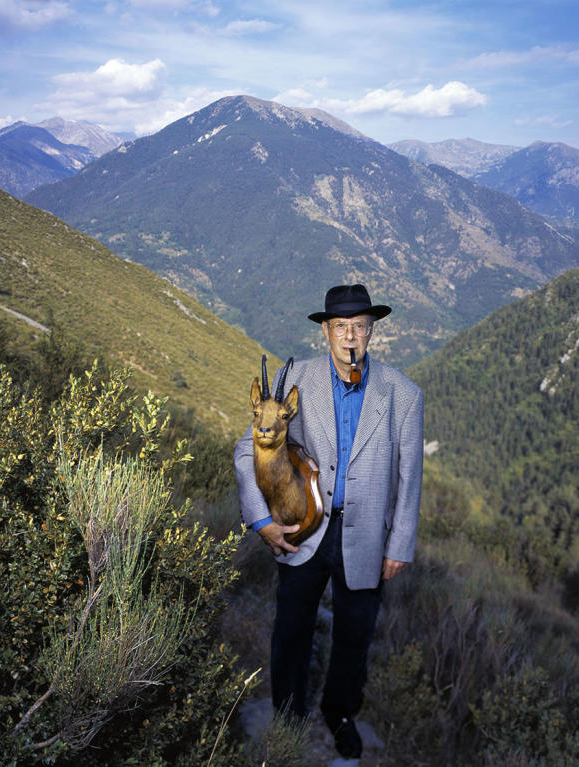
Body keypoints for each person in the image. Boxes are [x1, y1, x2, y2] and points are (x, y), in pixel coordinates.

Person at [234, 283, 424, 759]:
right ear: (326, 331)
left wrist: (400, 543)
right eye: (341, 327)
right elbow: (247, 449)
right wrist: (261, 521)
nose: (350, 337)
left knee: (355, 636)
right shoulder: (294, 379)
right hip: (303, 531)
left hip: (368, 540)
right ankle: (289, 716)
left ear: (371, 332)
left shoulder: (404, 394)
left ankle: (339, 713)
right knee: (292, 630)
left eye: (360, 327)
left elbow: (410, 476)